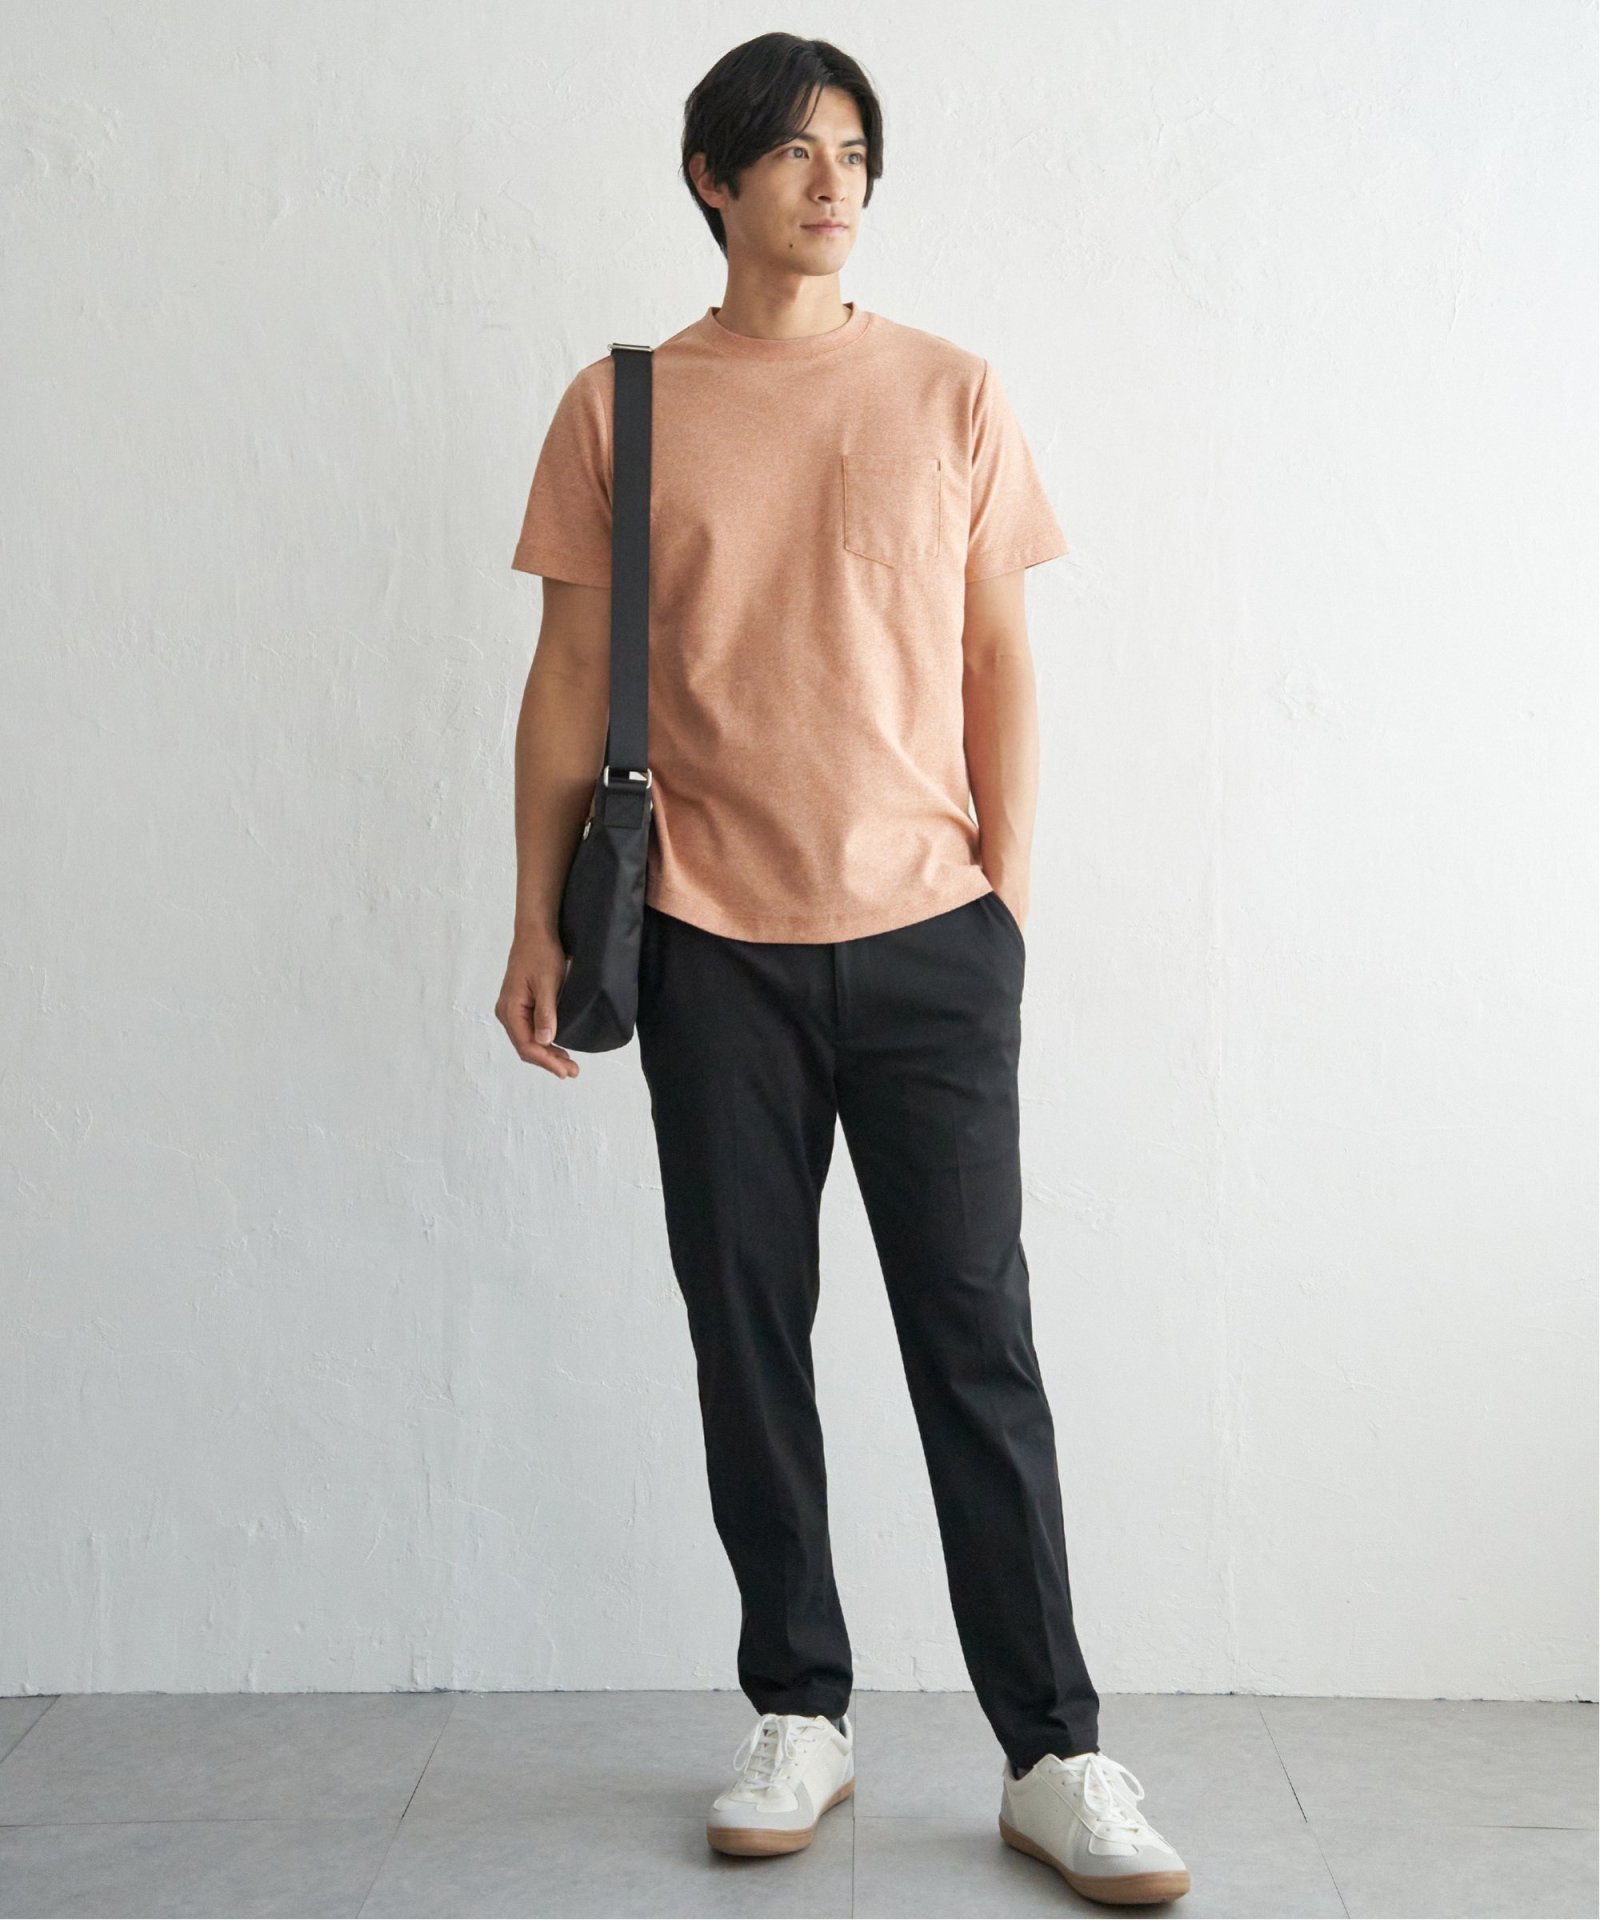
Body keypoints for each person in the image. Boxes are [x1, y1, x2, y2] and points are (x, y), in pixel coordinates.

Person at [496, 31, 1190, 1909]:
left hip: (932, 943)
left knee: (978, 1345)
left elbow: (998, 659)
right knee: (749, 1340)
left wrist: (1003, 907)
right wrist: (534, 917)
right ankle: (798, 1708)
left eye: (856, 151)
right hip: (709, 945)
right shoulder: (622, 406)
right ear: (712, 179)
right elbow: (567, 676)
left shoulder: (951, 390)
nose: (833, 180)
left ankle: (1054, 1753)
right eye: (794, 150)